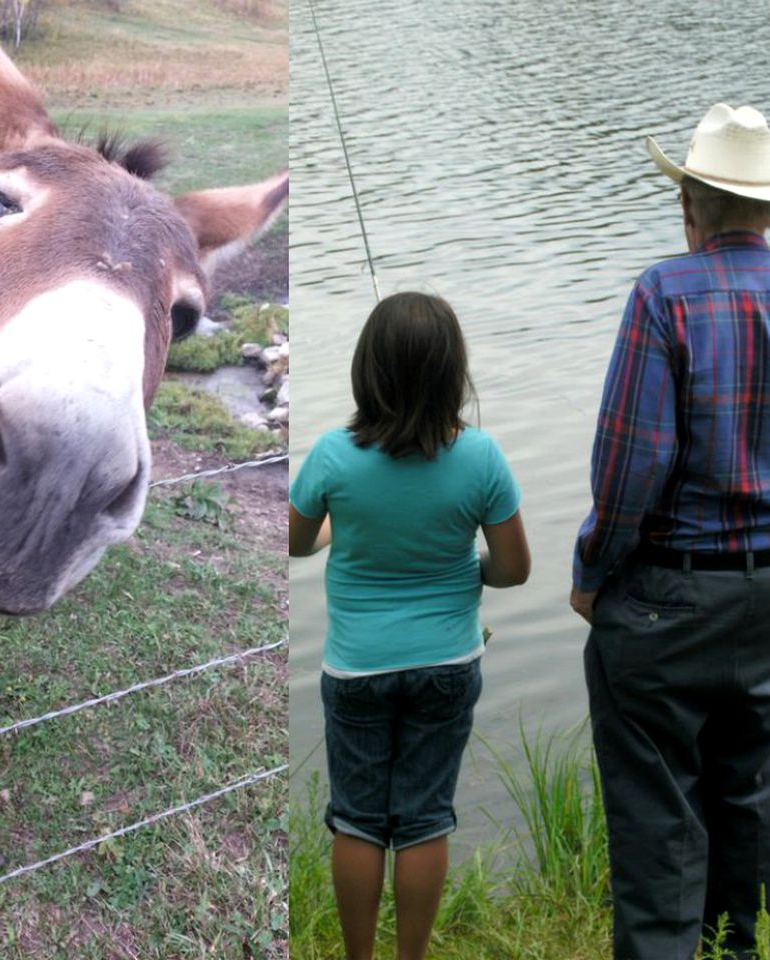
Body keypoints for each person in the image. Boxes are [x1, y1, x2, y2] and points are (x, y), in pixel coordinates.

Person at [571, 103, 770, 960]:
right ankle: (734, 947)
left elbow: (630, 470)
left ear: (688, 203)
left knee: (659, 828)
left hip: (666, 600)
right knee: (745, 794)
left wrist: (591, 572)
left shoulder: (662, 293)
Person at [289, 291, 530, 960]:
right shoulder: (481, 458)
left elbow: (295, 542)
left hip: (355, 667)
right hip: (447, 665)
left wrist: (344, 526)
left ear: (367, 368)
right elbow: (512, 570)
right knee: (424, 820)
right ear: (453, 371)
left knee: (358, 821)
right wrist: (460, 572)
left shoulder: (332, 456)